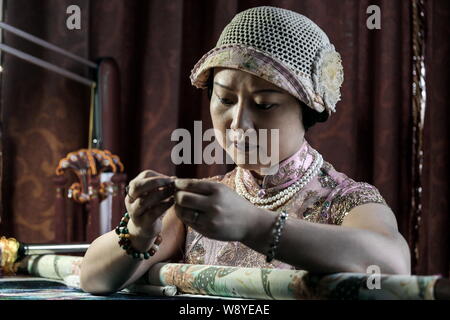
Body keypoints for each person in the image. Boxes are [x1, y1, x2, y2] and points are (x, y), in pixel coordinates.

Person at [80, 6, 411, 295]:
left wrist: (255, 225)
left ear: (306, 111)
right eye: (224, 99)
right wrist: (138, 232)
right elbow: (93, 278)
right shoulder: (203, 204)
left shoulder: (343, 199)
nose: (238, 122)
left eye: (264, 104)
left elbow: (393, 267)